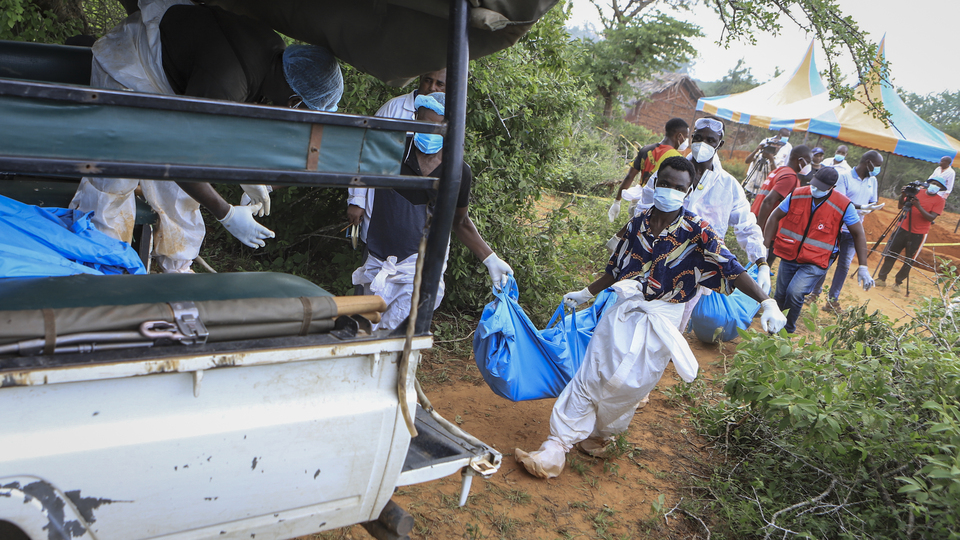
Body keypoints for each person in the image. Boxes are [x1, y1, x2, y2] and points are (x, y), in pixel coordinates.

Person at [513, 156, 786, 479]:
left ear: (688, 192)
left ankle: (601, 434)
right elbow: (615, 269)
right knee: (592, 373)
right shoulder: (638, 223)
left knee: (630, 385)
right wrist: (587, 292)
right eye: (665, 183)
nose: (670, 191)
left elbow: (732, 269)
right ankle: (555, 447)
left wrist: (767, 301)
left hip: (663, 318)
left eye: (678, 187)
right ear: (655, 183)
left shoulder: (698, 231)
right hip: (624, 308)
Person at [70, 0, 343, 273]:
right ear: (294, 102)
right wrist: (226, 213)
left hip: (171, 80)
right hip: (129, 66)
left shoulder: (275, 60)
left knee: (180, 192)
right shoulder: (227, 80)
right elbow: (180, 159)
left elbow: (230, 126)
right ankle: (97, 266)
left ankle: (178, 267)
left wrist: (249, 175)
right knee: (116, 175)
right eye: (304, 114)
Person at [351, 93, 513, 331]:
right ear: (415, 118)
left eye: (438, 128)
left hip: (419, 265)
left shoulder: (457, 171)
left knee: (400, 335)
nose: (429, 132)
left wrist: (490, 259)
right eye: (424, 124)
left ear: (451, 130)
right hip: (379, 259)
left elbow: (459, 221)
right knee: (365, 331)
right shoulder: (393, 151)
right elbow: (356, 161)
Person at [763, 167, 874, 334]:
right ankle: (773, 331)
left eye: (821, 188)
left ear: (832, 187)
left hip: (816, 260)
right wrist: (765, 246)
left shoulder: (844, 205)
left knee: (795, 292)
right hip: (790, 254)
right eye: (814, 185)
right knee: (780, 294)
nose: (815, 189)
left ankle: (787, 331)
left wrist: (863, 266)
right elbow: (774, 216)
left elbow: (858, 234)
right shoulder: (797, 194)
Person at [347, 70, 447, 242]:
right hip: (383, 206)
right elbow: (366, 151)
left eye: (439, 84)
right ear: (420, 79)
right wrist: (357, 199)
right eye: (428, 80)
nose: (432, 87)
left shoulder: (451, 117)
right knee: (377, 247)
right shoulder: (394, 108)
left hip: (423, 217)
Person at [812, 151, 884, 312]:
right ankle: (814, 293)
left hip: (854, 230)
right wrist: (861, 207)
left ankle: (832, 301)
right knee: (825, 262)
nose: (878, 169)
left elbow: (873, 201)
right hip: (837, 228)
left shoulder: (872, 180)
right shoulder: (844, 177)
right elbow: (841, 201)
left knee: (844, 266)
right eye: (877, 165)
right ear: (868, 162)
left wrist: (870, 208)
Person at [607, 118, 688, 222]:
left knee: (633, 229)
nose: (686, 141)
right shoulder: (676, 158)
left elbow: (629, 176)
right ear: (679, 136)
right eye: (686, 137)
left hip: (637, 203)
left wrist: (617, 201)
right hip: (656, 206)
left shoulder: (646, 149)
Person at [876, 177, 947, 292]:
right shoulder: (917, 192)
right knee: (891, 253)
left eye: (938, 185)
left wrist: (918, 206)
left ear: (941, 189)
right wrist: (903, 195)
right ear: (928, 184)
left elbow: (931, 218)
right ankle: (881, 278)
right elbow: (900, 206)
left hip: (919, 233)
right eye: (934, 183)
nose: (935, 186)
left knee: (909, 259)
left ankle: (898, 282)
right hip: (902, 227)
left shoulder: (940, 201)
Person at [751, 145, 813, 232]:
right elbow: (768, 201)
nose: (808, 166)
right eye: (808, 162)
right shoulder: (789, 177)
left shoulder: (779, 171)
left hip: (755, 218)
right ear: (800, 160)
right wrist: (760, 229)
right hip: (765, 225)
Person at [743, 127, 792, 197]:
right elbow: (747, 161)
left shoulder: (785, 151)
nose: (776, 147)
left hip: (764, 187)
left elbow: (776, 173)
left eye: (778, 146)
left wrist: (771, 159)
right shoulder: (765, 143)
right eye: (774, 145)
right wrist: (756, 150)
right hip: (752, 183)